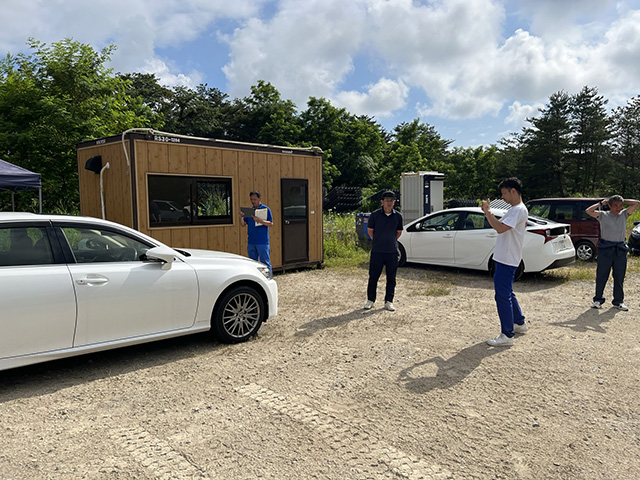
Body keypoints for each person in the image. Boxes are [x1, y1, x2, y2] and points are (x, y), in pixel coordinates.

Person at [481, 178, 529, 347]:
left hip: (507, 259)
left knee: (502, 296)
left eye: (504, 193)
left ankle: (507, 335)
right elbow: (501, 226)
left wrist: (488, 212)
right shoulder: (517, 209)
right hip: (508, 257)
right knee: (508, 292)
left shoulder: (517, 210)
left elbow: (500, 228)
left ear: (513, 191)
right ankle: (519, 323)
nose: (502, 198)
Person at [585, 195, 639, 311]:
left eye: (620, 205)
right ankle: (598, 300)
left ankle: (618, 301)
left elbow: (636, 203)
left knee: (619, 276)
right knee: (602, 276)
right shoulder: (603, 215)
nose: (618, 208)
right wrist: (601, 203)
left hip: (620, 249)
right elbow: (588, 211)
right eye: (615, 205)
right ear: (610, 205)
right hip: (606, 249)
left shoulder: (624, 214)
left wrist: (623, 200)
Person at [364, 191, 403, 311]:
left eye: (391, 200)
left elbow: (398, 232)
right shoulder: (375, 215)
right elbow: (370, 231)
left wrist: (390, 241)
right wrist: (379, 241)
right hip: (377, 251)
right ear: (382, 201)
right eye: (387, 200)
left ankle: (388, 301)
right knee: (373, 277)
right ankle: (370, 300)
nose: (389, 203)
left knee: (391, 278)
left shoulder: (398, 216)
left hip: (391, 251)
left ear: (394, 202)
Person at [240, 191, 274, 275]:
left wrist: (260, 221)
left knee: (265, 263)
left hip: (262, 241)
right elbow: (243, 224)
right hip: (251, 241)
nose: (253, 201)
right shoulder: (249, 211)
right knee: (252, 263)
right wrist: (241, 217)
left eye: (254, 199)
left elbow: (271, 223)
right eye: (251, 199)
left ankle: (269, 279)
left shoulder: (265, 209)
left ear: (259, 199)